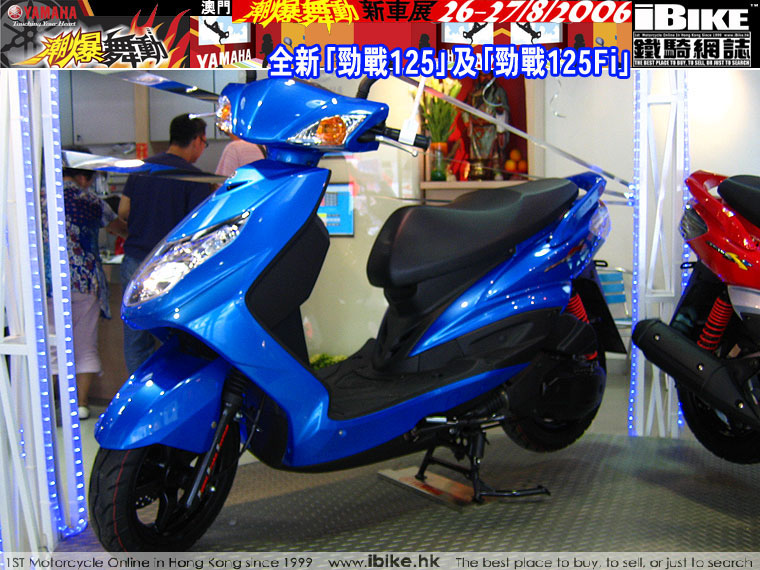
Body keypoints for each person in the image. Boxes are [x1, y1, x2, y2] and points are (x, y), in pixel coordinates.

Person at [118, 114, 213, 375]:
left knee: (136, 340)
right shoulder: (195, 178)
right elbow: (199, 231)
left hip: (135, 263)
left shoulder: (142, 169)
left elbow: (123, 211)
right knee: (177, 339)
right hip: (171, 269)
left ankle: (139, 391)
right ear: (197, 140)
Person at [42, 148, 127, 420]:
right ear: (82, 177)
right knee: (85, 345)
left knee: (52, 345)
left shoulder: (39, 200)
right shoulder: (91, 201)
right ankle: (80, 405)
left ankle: (52, 405)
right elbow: (120, 229)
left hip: (49, 283)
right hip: (86, 282)